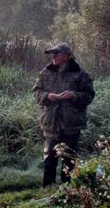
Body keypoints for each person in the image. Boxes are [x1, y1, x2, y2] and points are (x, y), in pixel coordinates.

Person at [32, 42, 95, 187]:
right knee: (49, 158)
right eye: (52, 53)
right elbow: (36, 92)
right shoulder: (45, 72)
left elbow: (89, 95)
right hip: (51, 122)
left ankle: (67, 189)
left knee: (69, 158)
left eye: (56, 53)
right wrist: (48, 96)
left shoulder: (81, 74)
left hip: (71, 123)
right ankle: (48, 187)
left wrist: (74, 95)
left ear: (67, 56)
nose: (53, 56)